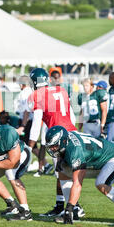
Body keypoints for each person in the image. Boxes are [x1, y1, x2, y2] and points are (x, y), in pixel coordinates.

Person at [45, 126, 114, 225]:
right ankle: (75, 210)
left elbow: (77, 183)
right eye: (51, 146)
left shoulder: (75, 150)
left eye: (54, 146)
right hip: (96, 160)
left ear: (63, 141)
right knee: (62, 171)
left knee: (101, 183)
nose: (52, 149)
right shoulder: (67, 141)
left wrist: (68, 208)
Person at [26, 68, 84, 218]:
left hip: (57, 136)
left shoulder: (37, 95)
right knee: (65, 172)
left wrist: (29, 147)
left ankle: (75, 207)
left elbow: (36, 123)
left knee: (63, 173)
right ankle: (62, 206)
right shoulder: (61, 90)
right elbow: (70, 114)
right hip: (71, 131)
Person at [15, 75, 51, 177]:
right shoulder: (31, 92)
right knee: (32, 146)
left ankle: (25, 164)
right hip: (32, 121)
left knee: (28, 145)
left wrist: (23, 125)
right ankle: (46, 164)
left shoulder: (25, 93)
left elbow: (26, 111)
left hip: (28, 121)